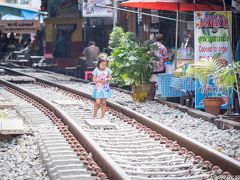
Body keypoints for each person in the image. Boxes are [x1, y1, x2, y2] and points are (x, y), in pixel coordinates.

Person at [92, 53, 112, 120]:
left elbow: (110, 78)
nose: (104, 66)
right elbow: (94, 79)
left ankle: (102, 117)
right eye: (102, 65)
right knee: (97, 102)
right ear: (99, 64)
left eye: (105, 65)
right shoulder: (96, 70)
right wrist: (99, 80)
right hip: (98, 88)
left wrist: (106, 79)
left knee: (103, 103)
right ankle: (94, 115)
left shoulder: (108, 70)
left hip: (105, 88)